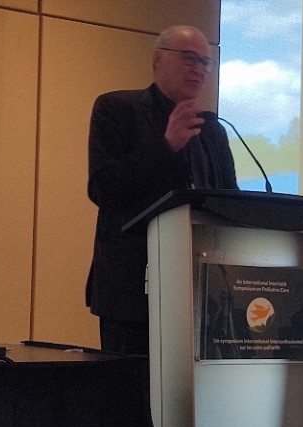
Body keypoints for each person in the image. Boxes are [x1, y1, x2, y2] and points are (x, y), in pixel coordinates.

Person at [86, 25, 239, 355]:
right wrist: (166, 145)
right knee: (132, 387)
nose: (199, 69)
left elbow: (231, 200)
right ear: (158, 59)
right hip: (132, 292)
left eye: (206, 62)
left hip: (201, 293)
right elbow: (103, 188)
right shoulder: (117, 109)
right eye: (189, 58)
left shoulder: (212, 129)